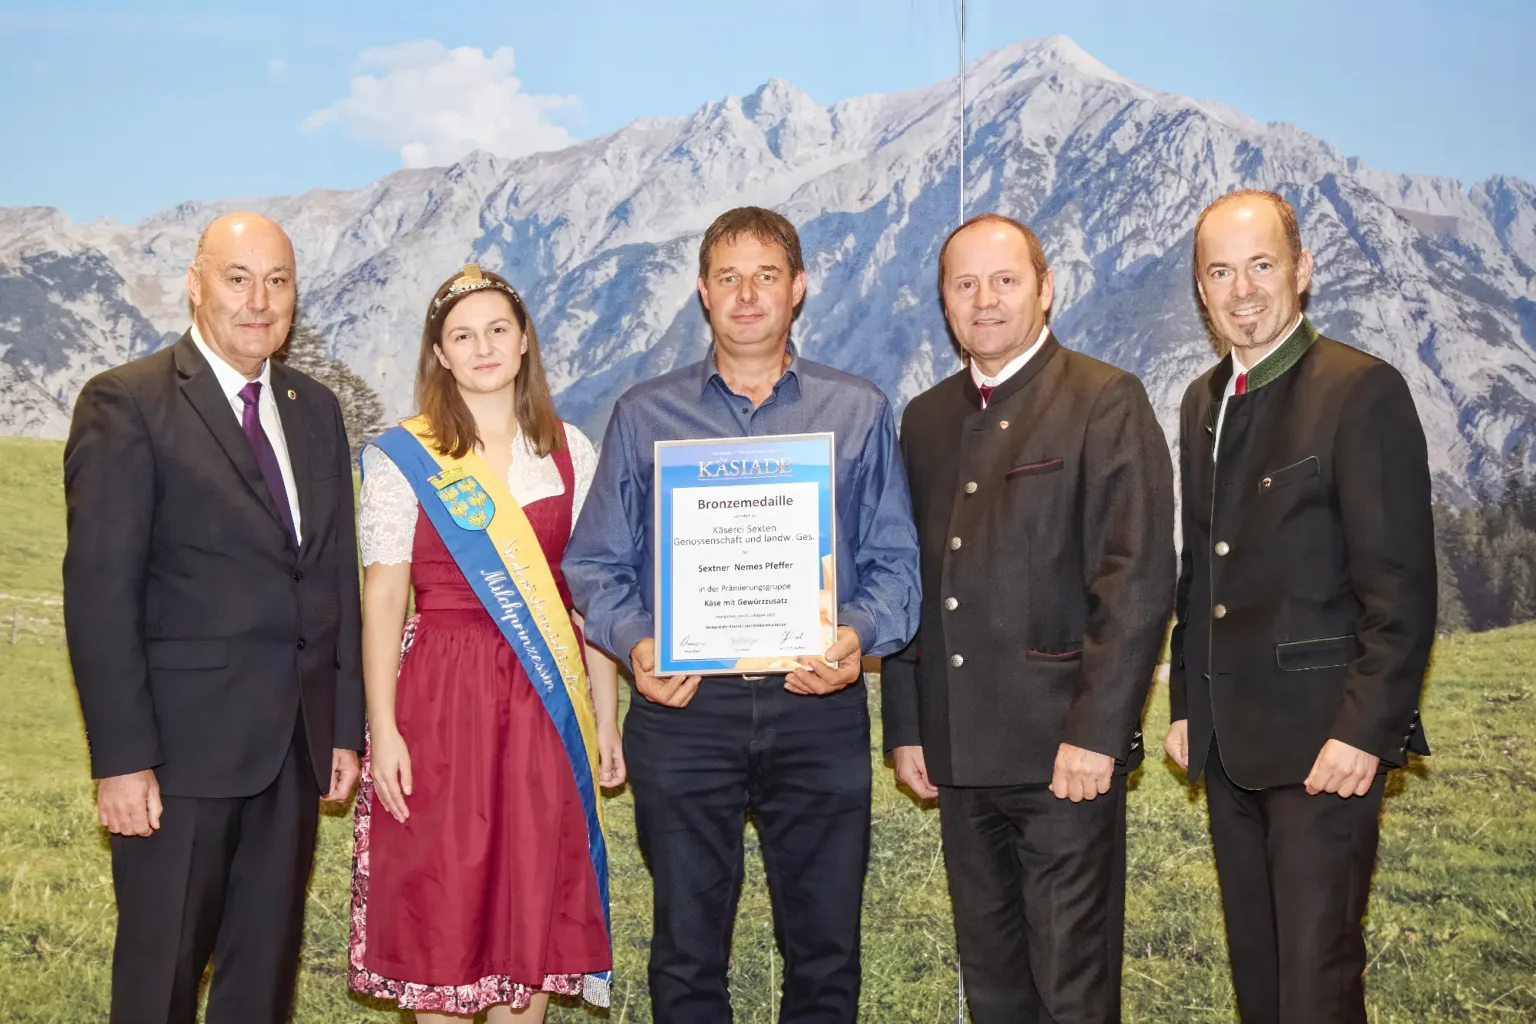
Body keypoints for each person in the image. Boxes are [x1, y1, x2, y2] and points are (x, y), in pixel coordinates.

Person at [563, 206, 921, 1022]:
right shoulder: (645, 415)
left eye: (767, 276)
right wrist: (640, 645)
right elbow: (594, 564)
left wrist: (855, 635)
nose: (747, 294)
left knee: (826, 952)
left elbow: (897, 565)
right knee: (687, 956)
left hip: (816, 703)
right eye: (729, 277)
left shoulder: (857, 409)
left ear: (798, 289)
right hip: (686, 709)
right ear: (702, 292)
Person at [62, 212, 364, 1023]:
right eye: (238, 278)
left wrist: (342, 728)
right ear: (196, 285)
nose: (259, 301)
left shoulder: (315, 410)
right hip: (176, 765)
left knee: (260, 990)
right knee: (160, 986)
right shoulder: (127, 403)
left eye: (278, 281)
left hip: (294, 756)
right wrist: (121, 760)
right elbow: (99, 593)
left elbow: (332, 573)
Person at [882, 213, 1175, 1024]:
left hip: (1063, 755)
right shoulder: (927, 418)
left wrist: (1098, 735)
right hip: (957, 751)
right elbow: (911, 579)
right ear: (944, 302)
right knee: (995, 988)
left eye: (1005, 280)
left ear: (1045, 289)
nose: (985, 300)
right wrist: (907, 725)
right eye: (964, 284)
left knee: (1071, 990)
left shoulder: (1105, 398)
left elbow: (1137, 577)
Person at [1164, 190, 1436, 1024]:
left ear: (1302, 270)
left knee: (1317, 987)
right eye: (1220, 271)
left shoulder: (1363, 391)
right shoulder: (1201, 400)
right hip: (1228, 746)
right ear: (1201, 291)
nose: (1242, 290)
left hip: (1327, 747)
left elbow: (1402, 591)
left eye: (1260, 265)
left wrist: (1364, 732)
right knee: (1261, 980)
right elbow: (1200, 574)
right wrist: (1184, 706)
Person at [347, 264, 622, 1022]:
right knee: (443, 917)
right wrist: (384, 728)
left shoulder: (571, 450)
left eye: (499, 329)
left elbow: (589, 595)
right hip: (440, 696)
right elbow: (382, 595)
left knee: (524, 925)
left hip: (543, 701)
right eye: (462, 336)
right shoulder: (403, 457)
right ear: (439, 354)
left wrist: (604, 718)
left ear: (526, 339)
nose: (484, 347)